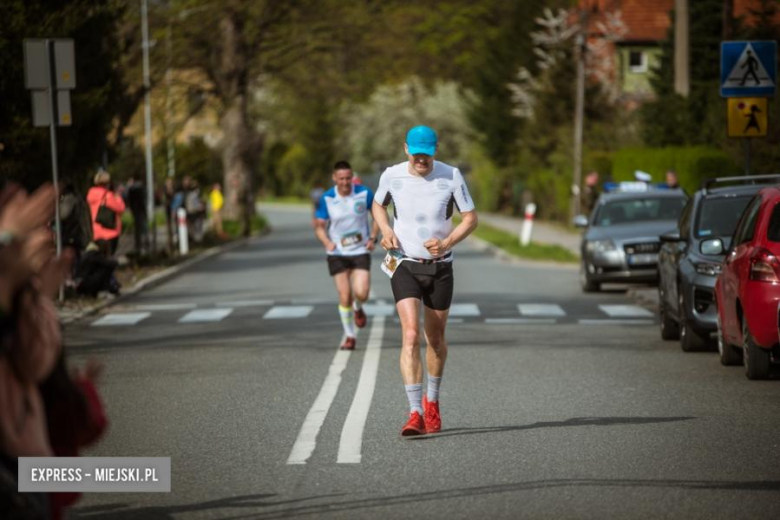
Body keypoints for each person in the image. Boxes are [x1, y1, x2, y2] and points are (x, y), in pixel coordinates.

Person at [372, 126, 478, 436]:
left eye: (427, 154)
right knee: (409, 336)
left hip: (440, 267)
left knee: (435, 340)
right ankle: (415, 412)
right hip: (404, 263)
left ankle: (432, 402)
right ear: (406, 149)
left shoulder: (451, 176)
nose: (422, 160)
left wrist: (447, 243)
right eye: (416, 153)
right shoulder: (391, 176)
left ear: (435, 150)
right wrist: (385, 230)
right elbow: (378, 205)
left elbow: (471, 218)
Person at [314, 161, 380, 351]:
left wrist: (373, 238)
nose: (345, 182)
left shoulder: (364, 193)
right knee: (344, 296)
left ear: (353, 177)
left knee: (362, 293)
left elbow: (378, 216)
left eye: (348, 178)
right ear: (334, 178)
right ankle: (350, 336)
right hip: (337, 253)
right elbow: (319, 226)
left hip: (360, 250)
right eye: (341, 178)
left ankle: (358, 307)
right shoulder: (327, 198)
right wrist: (327, 242)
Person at [86, 169, 125, 256]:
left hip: (95, 232)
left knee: (99, 257)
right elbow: (121, 208)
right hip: (109, 232)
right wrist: (117, 196)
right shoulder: (108, 196)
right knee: (108, 257)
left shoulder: (90, 195)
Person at [125, 176, 148, 256]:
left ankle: (138, 245)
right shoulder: (140, 188)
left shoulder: (131, 189)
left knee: (137, 229)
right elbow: (142, 201)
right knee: (143, 228)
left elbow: (128, 200)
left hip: (135, 211)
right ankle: (144, 244)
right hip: (140, 211)